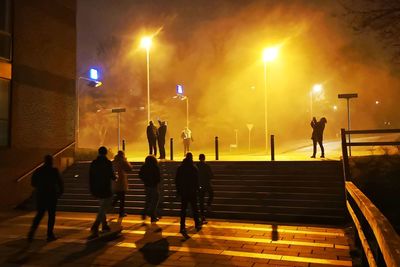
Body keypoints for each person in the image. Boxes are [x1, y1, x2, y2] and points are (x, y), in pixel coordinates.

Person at [27, 155, 63, 242]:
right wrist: (60, 192)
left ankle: (32, 231)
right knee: (51, 215)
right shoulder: (54, 170)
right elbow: (60, 182)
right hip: (51, 195)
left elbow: (33, 183)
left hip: (41, 195)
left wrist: (40, 187)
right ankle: (50, 234)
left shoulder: (38, 170)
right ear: (51, 161)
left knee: (39, 214)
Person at [89, 146, 116, 238]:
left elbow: (90, 176)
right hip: (105, 187)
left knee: (102, 205)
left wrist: (92, 188)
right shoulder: (107, 162)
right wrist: (115, 178)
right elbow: (111, 175)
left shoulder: (94, 163)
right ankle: (95, 225)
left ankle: (104, 225)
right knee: (104, 206)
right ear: (106, 153)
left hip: (96, 187)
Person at [175, 152, 202, 235]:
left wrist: (178, 190)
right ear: (191, 158)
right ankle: (197, 223)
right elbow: (196, 180)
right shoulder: (193, 168)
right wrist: (198, 189)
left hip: (184, 191)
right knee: (194, 208)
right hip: (192, 191)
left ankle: (182, 226)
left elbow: (177, 180)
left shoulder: (180, 168)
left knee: (183, 209)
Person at [139, 155, 161, 222]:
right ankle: (152, 215)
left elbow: (140, 175)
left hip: (147, 185)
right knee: (155, 201)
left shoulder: (144, 167)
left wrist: (145, 180)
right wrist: (156, 182)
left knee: (148, 200)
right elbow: (158, 176)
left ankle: (145, 212)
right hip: (154, 186)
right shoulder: (155, 167)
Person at [112, 151, 132, 218]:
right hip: (121, 181)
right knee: (122, 198)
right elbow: (129, 169)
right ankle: (120, 212)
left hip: (115, 181)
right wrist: (126, 160)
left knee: (119, 196)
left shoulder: (114, 161)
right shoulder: (122, 161)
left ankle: (113, 205)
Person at [196, 154, 214, 223]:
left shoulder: (196, 166)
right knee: (211, 194)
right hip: (206, 184)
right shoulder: (207, 166)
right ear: (204, 158)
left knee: (201, 200)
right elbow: (211, 175)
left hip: (200, 185)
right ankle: (208, 205)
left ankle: (202, 216)